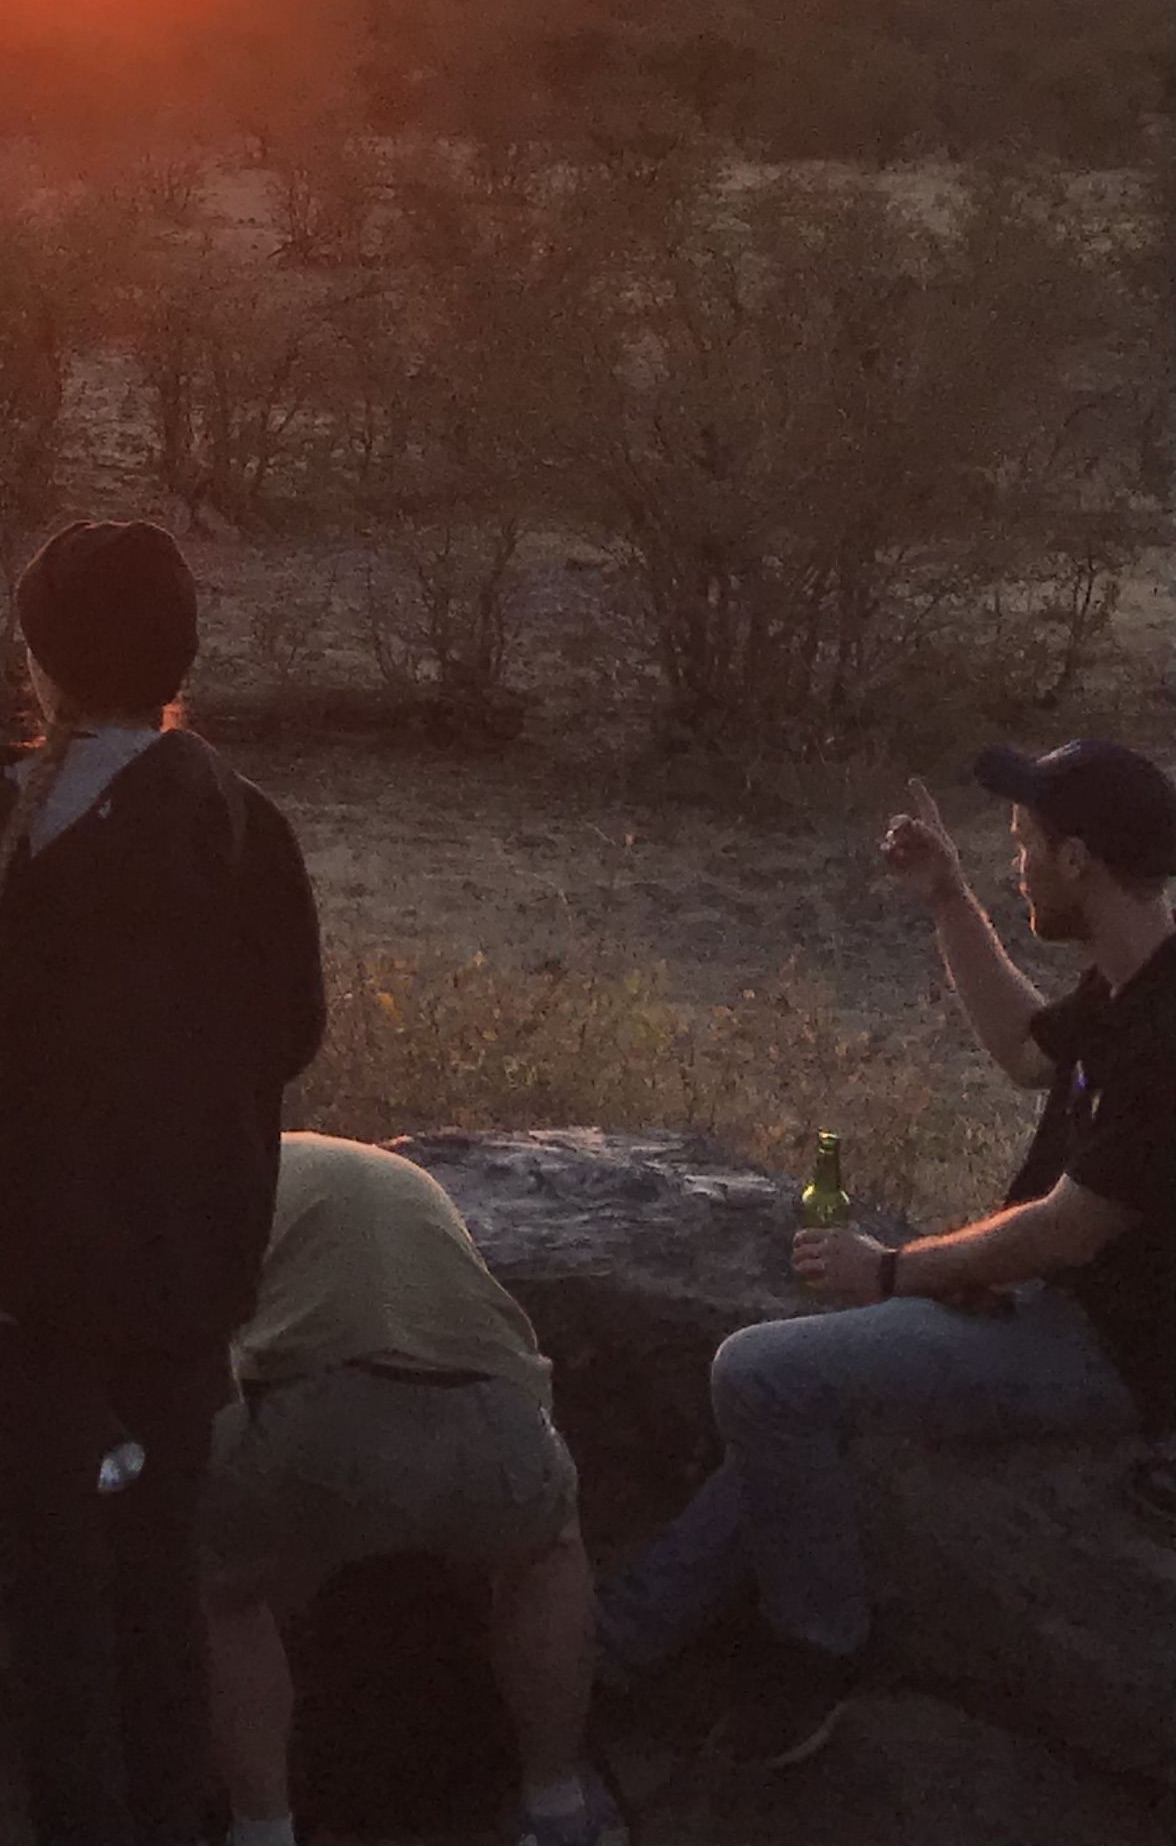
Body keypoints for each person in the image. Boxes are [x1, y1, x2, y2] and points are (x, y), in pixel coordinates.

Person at [0, 517, 325, 1846]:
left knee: (57, 1611)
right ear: (183, 653)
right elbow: (291, 1034)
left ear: (41, 659)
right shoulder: (243, 822)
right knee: (159, 1591)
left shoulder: (2, 815)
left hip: (28, 1290)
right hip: (184, 1283)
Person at [594, 740, 1173, 1768]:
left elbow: (1069, 1229)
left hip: (1103, 1351)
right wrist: (947, 898)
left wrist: (895, 1271)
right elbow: (1026, 1050)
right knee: (801, 1402)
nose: (1016, 865)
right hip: (1045, 1298)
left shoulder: (1168, 1031)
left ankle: (817, 1650)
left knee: (760, 1376)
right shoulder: (1129, 987)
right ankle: (614, 1647)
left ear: (1078, 859)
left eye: (1024, 845)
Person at [197, 1135, 621, 1846]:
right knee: (549, 1548)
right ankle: (557, 1806)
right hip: (491, 1406)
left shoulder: (212, 1181)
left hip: (316, 1409)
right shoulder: (388, 1173)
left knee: (224, 1588)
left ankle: (262, 1827)